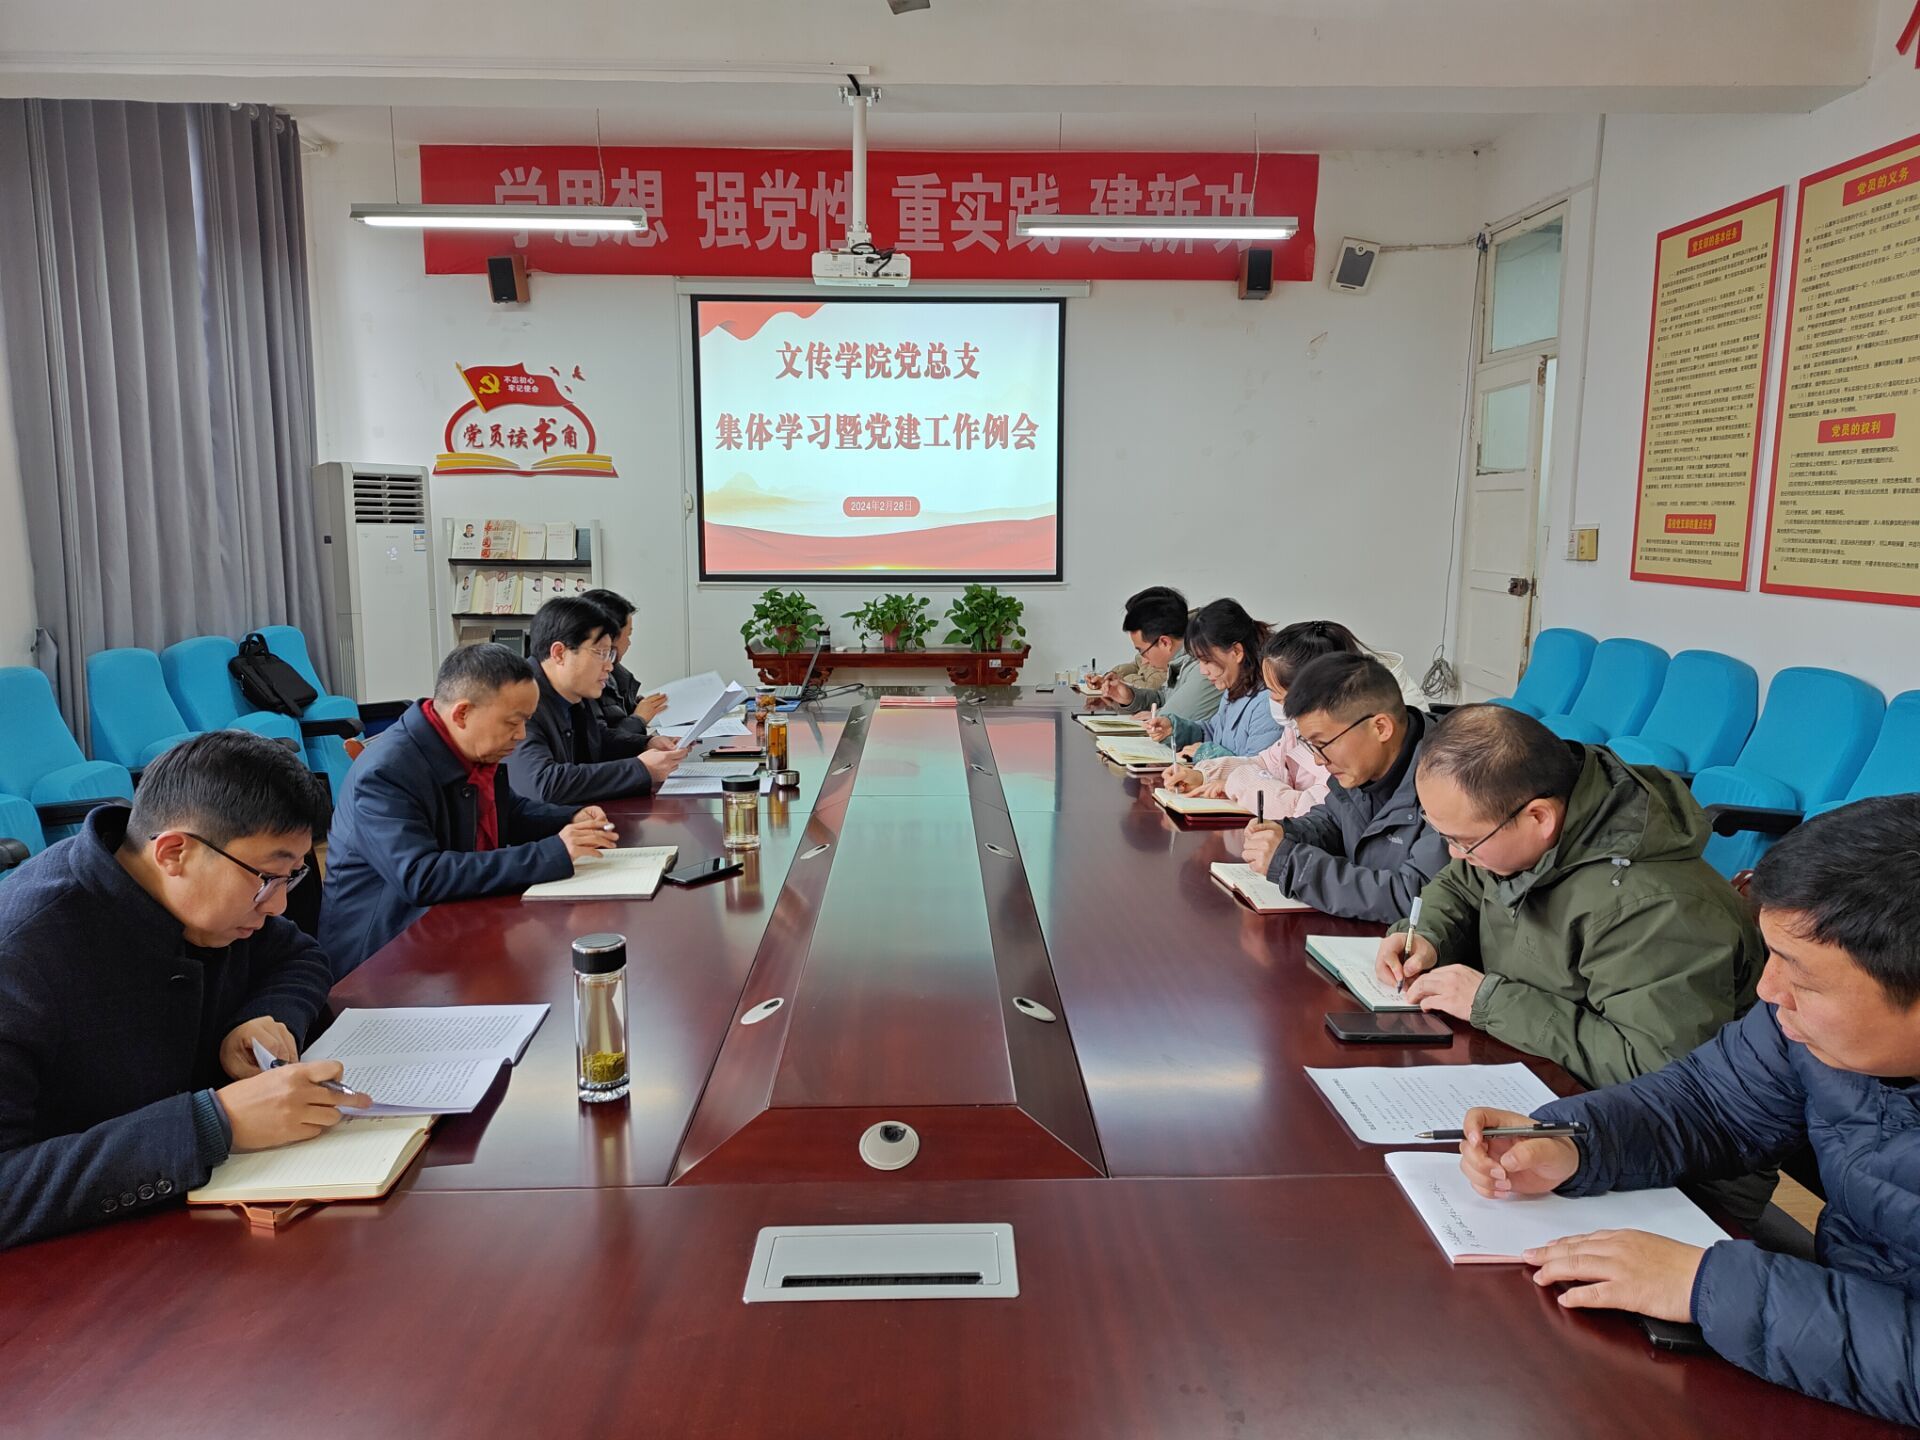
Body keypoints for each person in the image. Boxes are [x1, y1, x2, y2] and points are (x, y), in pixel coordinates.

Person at [1455, 796, 1920, 1428]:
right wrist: (1576, 1143)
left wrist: (1709, 1287)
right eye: (1772, 955)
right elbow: (1712, 1102)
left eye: (1804, 979)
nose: (1768, 990)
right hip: (1835, 1326)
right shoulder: (1803, 1026)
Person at [0, 730, 370, 1250]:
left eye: (291, 876)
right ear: (174, 852)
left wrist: (265, 1017)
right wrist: (215, 1124)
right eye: (268, 877)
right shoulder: (22, 954)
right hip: (81, 1266)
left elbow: (300, 956)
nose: (278, 905)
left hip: (205, 1225)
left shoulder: (209, 903)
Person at [1375, 704, 1763, 1093]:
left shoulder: (1657, 909)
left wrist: (1492, 1003)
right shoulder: (1515, 829)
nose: (1454, 853)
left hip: (1612, 1107)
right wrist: (1427, 935)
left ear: (1539, 818)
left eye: (1464, 841)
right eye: (1442, 834)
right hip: (1525, 1066)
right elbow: (1462, 885)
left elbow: (1655, 1070)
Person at [321, 643, 619, 977]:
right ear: (462, 714)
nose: (521, 735)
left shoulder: (463, 746)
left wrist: (570, 817)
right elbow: (422, 875)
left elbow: (507, 812)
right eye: (513, 722)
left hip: (449, 925)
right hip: (382, 961)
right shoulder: (386, 773)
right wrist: (553, 853)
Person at [1240, 652, 1447, 921]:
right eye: (1311, 745)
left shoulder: (1451, 779)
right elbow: (1332, 823)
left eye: (1322, 744)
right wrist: (1285, 833)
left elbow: (1415, 897)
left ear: (1381, 728)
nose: (1318, 759)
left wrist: (1292, 865)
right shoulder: (1362, 768)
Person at [506, 596, 687, 806]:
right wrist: (641, 769)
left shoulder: (572, 694)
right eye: (600, 653)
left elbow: (597, 741)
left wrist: (645, 744)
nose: (609, 666)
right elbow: (544, 785)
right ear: (559, 653)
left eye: (609, 654)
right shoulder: (519, 699)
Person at [1160, 620, 1354, 815]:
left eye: (1276, 695)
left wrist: (1237, 783)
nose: (1271, 700)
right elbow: (1265, 763)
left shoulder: (1342, 751)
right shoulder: (1294, 732)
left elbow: (1308, 810)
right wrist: (1203, 775)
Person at [1138, 599, 1282, 763]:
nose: (1203, 671)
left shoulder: (1268, 702)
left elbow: (1258, 769)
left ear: (1236, 652)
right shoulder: (1234, 688)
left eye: (1207, 660)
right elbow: (1214, 732)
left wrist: (1204, 753)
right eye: (1199, 661)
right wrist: (1174, 729)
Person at [1083, 589, 1220, 730]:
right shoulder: (1181, 660)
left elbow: (1168, 725)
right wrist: (1131, 697)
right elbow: (1163, 698)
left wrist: (1158, 715)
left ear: (1165, 643)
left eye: (1143, 652)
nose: (1144, 661)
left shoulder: (1204, 670)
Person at [580, 588, 672, 754]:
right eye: (628, 635)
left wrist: (646, 740)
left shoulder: (615, 674)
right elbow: (600, 746)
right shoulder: (585, 683)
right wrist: (639, 719)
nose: (629, 643)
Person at [1104, 585, 1178, 695]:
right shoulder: (1150, 646)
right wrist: (1113, 675)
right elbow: (1136, 665)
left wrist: (1125, 681)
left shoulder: (1167, 665)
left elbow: (1150, 690)